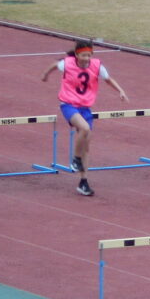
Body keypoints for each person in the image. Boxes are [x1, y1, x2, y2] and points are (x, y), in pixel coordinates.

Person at [41, 40, 128, 196]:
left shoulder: (97, 66)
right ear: (76, 55)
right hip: (68, 104)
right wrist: (45, 75)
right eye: (83, 55)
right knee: (84, 128)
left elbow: (108, 80)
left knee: (86, 147)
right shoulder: (67, 64)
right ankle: (75, 159)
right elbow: (55, 65)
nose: (86, 58)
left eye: (89, 55)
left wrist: (120, 90)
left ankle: (83, 182)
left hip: (85, 107)